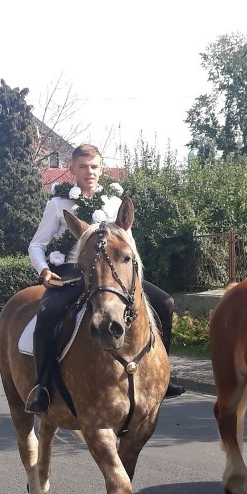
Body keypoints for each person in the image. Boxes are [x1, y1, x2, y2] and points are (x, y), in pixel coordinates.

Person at [25, 143, 185, 415]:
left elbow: (129, 246)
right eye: (83, 166)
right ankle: (42, 387)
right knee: (48, 314)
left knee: (166, 303)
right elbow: (36, 245)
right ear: (72, 169)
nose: (90, 172)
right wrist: (44, 270)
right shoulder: (58, 204)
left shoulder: (113, 202)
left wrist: (132, 273)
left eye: (95, 167)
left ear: (101, 169)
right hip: (72, 273)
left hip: (114, 275)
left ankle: (163, 376)